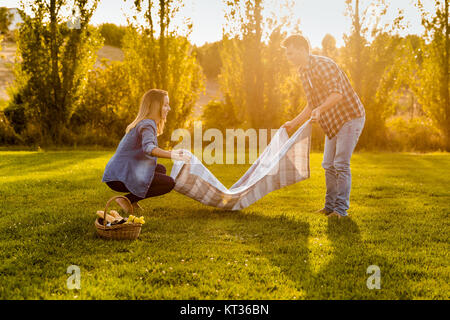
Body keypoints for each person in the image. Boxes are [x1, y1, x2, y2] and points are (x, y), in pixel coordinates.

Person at [282, 35, 365, 218]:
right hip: (332, 122)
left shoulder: (323, 65)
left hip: (350, 117)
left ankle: (341, 211)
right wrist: (293, 123)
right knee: (328, 164)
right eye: (287, 54)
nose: (289, 57)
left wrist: (320, 109)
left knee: (341, 164)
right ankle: (329, 207)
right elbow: (311, 104)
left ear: (303, 49)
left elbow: (337, 94)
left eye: (291, 53)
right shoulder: (302, 71)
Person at [102, 89, 190, 213]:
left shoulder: (146, 123)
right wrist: (173, 154)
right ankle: (126, 199)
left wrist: (172, 152)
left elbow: (149, 148)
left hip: (116, 173)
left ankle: (132, 200)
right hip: (118, 177)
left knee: (160, 169)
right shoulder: (148, 124)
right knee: (168, 183)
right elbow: (149, 148)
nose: (169, 108)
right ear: (155, 107)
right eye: (165, 105)